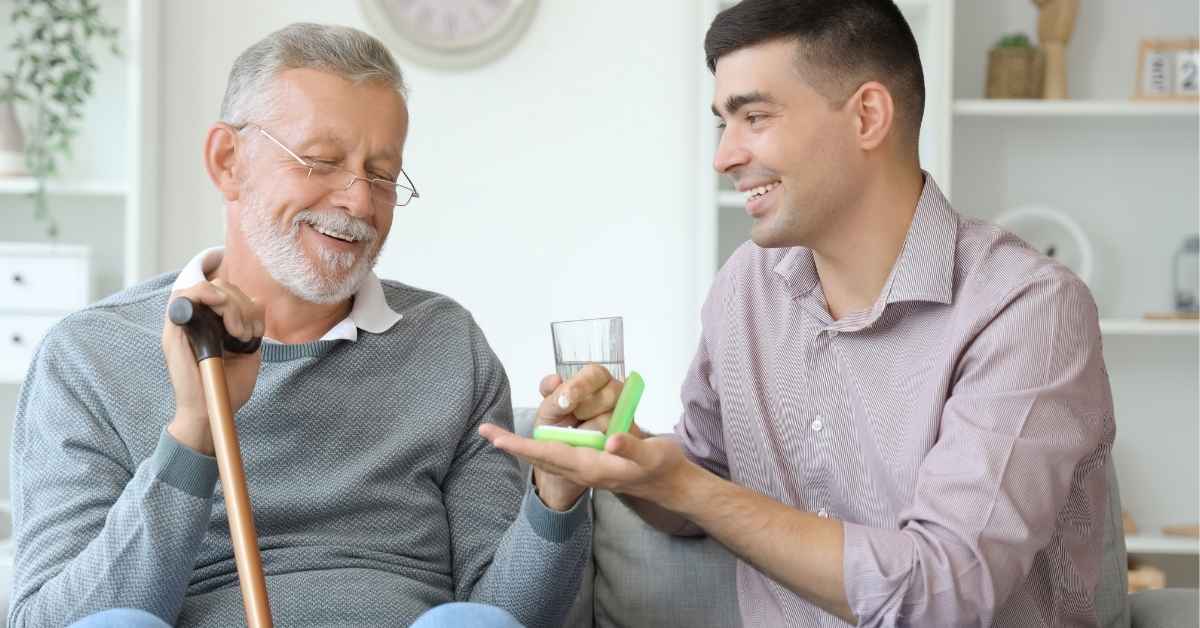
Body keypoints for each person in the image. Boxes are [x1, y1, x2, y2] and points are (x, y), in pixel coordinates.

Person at [483, 1, 1116, 626]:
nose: (724, 156)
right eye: (723, 124)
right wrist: (626, 453)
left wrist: (688, 488)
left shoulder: (1025, 308)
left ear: (868, 116)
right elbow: (699, 485)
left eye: (755, 117)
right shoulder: (747, 289)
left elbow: (944, 594)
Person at [9, 23, 600, 628]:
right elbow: (51, 621)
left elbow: (505, 615)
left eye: (381, 174)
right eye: (320, 162)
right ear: (227, 161)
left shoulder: (447, 345)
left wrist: (555, 496)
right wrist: (195, 430)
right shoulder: (90, 356)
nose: (359, 203)